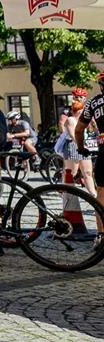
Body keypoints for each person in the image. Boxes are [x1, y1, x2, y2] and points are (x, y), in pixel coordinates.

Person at [73, 73, 104, 244]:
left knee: (102, 194)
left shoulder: (93, 102)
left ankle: (101, 235)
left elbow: (78, 130)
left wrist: (81, 147)